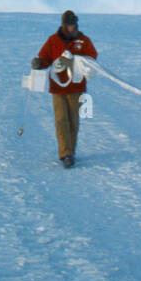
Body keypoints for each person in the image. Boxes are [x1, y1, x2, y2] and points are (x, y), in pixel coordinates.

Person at [31, 11, 97, 168]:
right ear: (63, 25)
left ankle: (71, 151)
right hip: (58, 88)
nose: (72, 27)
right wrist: (39, 63)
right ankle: (65, 154)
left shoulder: (84, 40)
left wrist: (77, 61)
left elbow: (92, 58)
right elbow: (45, 57)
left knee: (73, 121)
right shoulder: (53, 40)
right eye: (69, 24)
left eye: (74, 24)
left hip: (76, 87)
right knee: (61, 120)